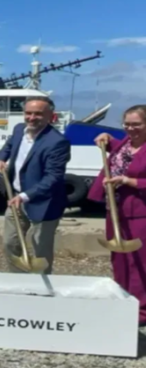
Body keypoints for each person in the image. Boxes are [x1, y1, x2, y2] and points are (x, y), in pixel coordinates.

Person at [0, 96, 71, 274]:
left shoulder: (57, 142)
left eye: (38, 114)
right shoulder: (19, 129)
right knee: (10, 243)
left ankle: (41, 286)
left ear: (50, 115)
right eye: (28, 113)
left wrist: (24, 196)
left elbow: (53, 177)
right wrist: (0, 157)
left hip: (44, 202)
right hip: (16, 196)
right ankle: (19, 279)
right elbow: (9, 145)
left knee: (40, 251)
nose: (32, 117)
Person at [88, 105, 146, 326]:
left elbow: (132, 172)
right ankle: (123, 300)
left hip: (140, 213)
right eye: (127, 124)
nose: (131, 129)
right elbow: (118, 149)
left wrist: (129, 181)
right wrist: (106, 137)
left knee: (139, 262)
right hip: (116, 210)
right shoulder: (126, 143)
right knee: (119, 258)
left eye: (137, 124)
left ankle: (141, 310)